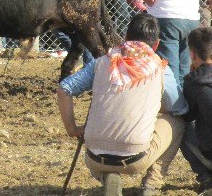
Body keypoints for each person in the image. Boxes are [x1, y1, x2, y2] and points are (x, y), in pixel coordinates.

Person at [57, 13, 188, 196]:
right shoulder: (160, 68)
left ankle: (107, 177)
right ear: (156, 44)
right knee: (178, 123)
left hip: (94, 158)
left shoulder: (101, 63)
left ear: (126, 38)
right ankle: (152, 184)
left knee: (101, 148)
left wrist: (72, 128)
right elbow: (178, 107)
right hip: (136, 158)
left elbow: (64, 88)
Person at [180, 27, 212, 194]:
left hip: (208, 151)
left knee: (180, 125)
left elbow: (188, 115)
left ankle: (205, 177)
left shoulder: (193, 81)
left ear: (192, 54)